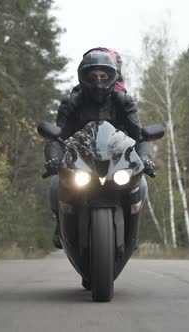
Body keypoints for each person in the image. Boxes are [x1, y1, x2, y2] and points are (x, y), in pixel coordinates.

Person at [44, 49, 155, 249]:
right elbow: (56, 135)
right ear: (83, 77)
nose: (98, 81)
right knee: (55, 183)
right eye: (92, 76)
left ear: (113, 76)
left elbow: (139, 135)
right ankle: (60, 224)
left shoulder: (124, 102)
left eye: (103, 76)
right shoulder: (72, 102)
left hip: (118, 159)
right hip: (81, 160)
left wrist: (145, 157)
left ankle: (132, 230)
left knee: (143, 184)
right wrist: (54, 158)